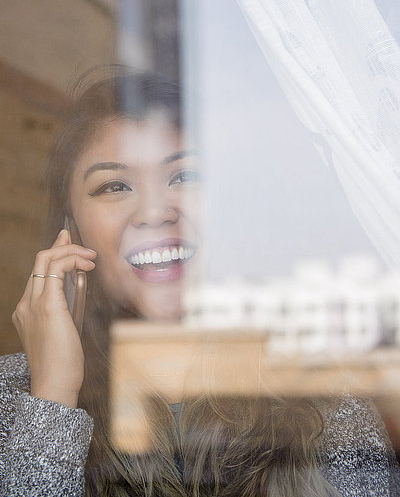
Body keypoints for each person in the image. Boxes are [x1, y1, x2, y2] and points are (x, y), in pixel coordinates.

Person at [0, 66, 399, 497]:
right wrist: (52, 399)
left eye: (185, 176)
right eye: (114, 185)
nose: (155, 212)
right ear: (70, 230)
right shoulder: (13, 396)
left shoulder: (325, 388)